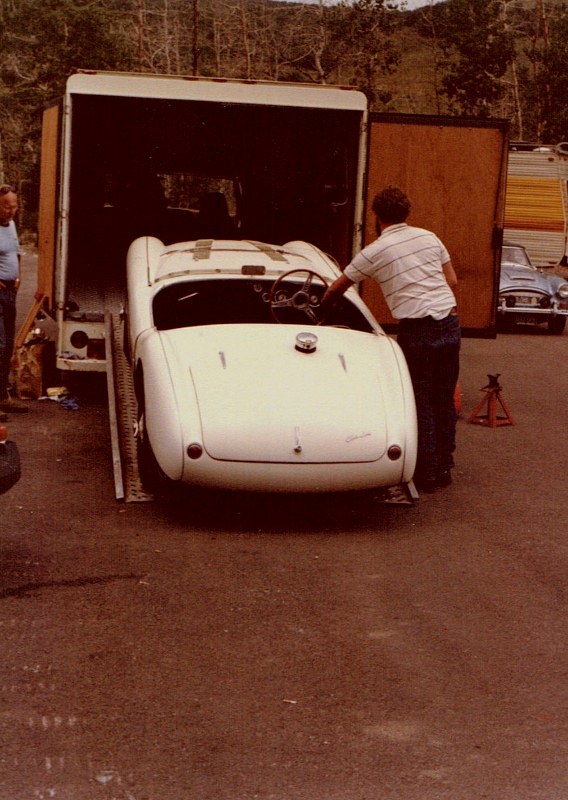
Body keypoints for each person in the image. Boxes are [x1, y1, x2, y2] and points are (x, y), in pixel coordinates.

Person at [321, 185, 460, 493]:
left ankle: (427, 473)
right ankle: (445, 466)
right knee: (443, 395)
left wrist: (321, 309)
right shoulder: (429, 237)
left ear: (376, 216)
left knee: (419, 399)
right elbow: (450, 280)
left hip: (417, 329)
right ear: (406, 211)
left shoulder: (374, 251)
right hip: (449, 324)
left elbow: (336, 288)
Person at [0, 184, 28, 420]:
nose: (11, 210)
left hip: (10, 292)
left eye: (14, 206)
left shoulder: (11, 227)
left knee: (8, 345)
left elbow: (16, 252)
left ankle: (2, 397)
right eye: (6, 206)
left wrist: (19, 276)